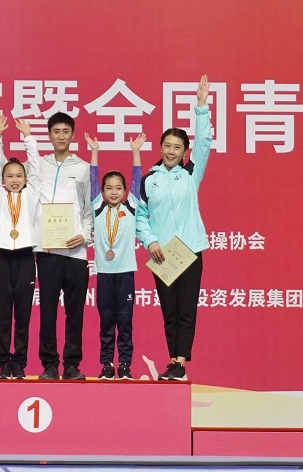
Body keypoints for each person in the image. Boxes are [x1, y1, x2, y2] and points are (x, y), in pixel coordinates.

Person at [136, 74, 212, 382]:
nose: (171, 151)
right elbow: (141, 216)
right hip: (163, 254)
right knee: (169, 310)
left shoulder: (191, 173)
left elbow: (204, 143)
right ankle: (173, 361)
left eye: (177, 147)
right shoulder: (149, 179)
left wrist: (201, 106)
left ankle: (180, 363)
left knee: (186, 309)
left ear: (184, 152)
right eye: (167, 145)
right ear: (160, 147)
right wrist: (151, 242)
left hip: (189, 250)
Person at [35, 112, 94, 380]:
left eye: (65, 131)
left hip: (75, 252)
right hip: (47, 251)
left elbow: (89, 208)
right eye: (56, 131)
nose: (61, 136)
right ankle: (49, 364)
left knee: (75, 312)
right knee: (47, 311)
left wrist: (84, 235)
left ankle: (72, 364)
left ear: (72, 135)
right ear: (49, 135)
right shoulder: (37, 165)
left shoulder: (83, 168)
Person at [84, 131, 146, 380]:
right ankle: (107, 365)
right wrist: (95, 152)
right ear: (102, 191)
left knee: (125, 321)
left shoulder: (131, 206)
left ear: (125, 191)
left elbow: (137, 178)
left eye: (118, 188)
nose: (113, 192)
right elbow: (93, 178)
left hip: (126, 273)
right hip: (104, 274)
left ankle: (125, 365)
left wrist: (135, 152)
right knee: (106, 321)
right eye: (108, 188)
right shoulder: (97, 207)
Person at [0, 109, 41, 380]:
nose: (15, 179)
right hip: (3, 260)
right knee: (3, 313)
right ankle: (3, 362)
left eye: (19, 175)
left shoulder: (32, 194)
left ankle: (19, 362)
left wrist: (28, 137)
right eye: (10, 176)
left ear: (26, 179)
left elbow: (37, 168)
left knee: (23, 314)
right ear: (3, 180)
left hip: (26, 259)